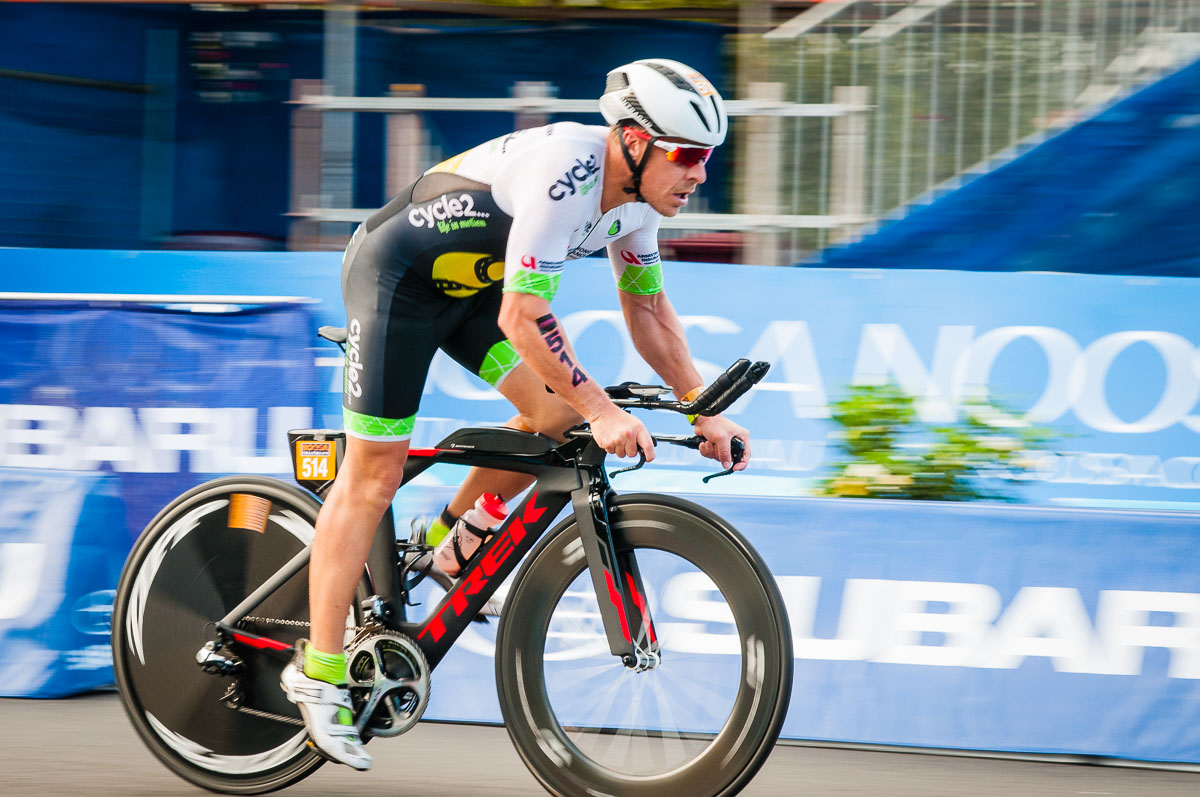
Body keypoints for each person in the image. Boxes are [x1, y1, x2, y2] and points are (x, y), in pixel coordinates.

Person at [281, 58, 752, 770]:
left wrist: (702, 405)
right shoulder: (568, 174)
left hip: (472, 294)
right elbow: (526, 315)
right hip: (396, 283)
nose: (698, 174)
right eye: (686, 155)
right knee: (373, 475)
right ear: (632, 140)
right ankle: (316, 674)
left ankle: (449, 545)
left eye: (707, 158)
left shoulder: (640, 205)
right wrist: (598, 407)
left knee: (555, 422)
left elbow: (649, 309)